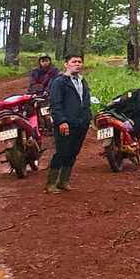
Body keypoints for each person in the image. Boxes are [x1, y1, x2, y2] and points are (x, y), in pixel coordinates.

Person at [45, 54, 91, 193]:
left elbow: (86, 101)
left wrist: (88, 118)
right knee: (62, 152)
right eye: (74, 62)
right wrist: (62, 121)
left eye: (79, 62)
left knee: (73, 152)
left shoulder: (82, 81)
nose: (77, 64)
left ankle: (64, 181)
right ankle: (50, 183)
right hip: (66, 123)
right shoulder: (59, 82)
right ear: (66, 64)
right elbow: (56, 104)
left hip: (81, 123)